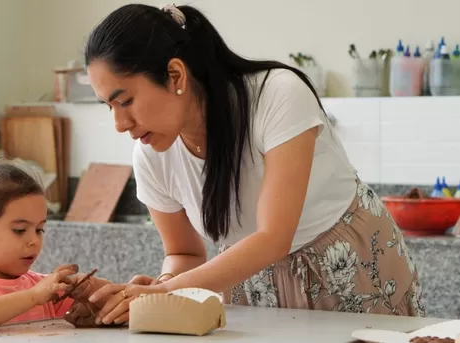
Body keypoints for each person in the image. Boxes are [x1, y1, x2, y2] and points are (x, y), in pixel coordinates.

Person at [83, 3, 426, 325]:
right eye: (108, 106)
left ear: (175, 76)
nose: (119, 123)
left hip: (350, 267)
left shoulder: (277, 95)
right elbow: (184, 253)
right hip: (250, 285)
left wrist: (162, 291)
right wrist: (163, 284)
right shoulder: (151, 155)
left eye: (125, 100)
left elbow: (273, 238)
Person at [0, 161, 109, 333]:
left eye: (39, 230)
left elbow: (108, 302)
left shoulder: (40, 287)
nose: (34, 241)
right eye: (19, 230)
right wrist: (33, 297)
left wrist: (91, 290)